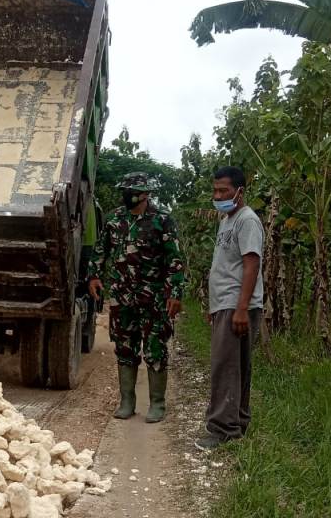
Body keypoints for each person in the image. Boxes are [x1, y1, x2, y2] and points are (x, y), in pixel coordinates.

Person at [88, 172, 185, 423]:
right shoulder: (114, 219)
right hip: (122, 297)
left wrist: (175, 292)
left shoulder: (162, 221)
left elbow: (174, 259)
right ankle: (127, 401)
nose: (127, 195)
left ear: (145, 194)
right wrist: (94, 276)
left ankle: (157, 404)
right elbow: (101, 250)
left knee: (155, 348)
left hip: (153, 298)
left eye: (132, 191)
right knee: (124, 347)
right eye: (125, 190)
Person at [195, 166, 264, 451]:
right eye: (215, 190)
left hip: (237, 304)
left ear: (240, 191)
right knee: (235, 366)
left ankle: (222, 429)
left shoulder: (247, 220)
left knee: (225, 367)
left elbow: (251, 264)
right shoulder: (227, 220)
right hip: (225, 304)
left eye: (223, 190)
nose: (218, 195)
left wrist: (240, 308)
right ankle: (237, 422)